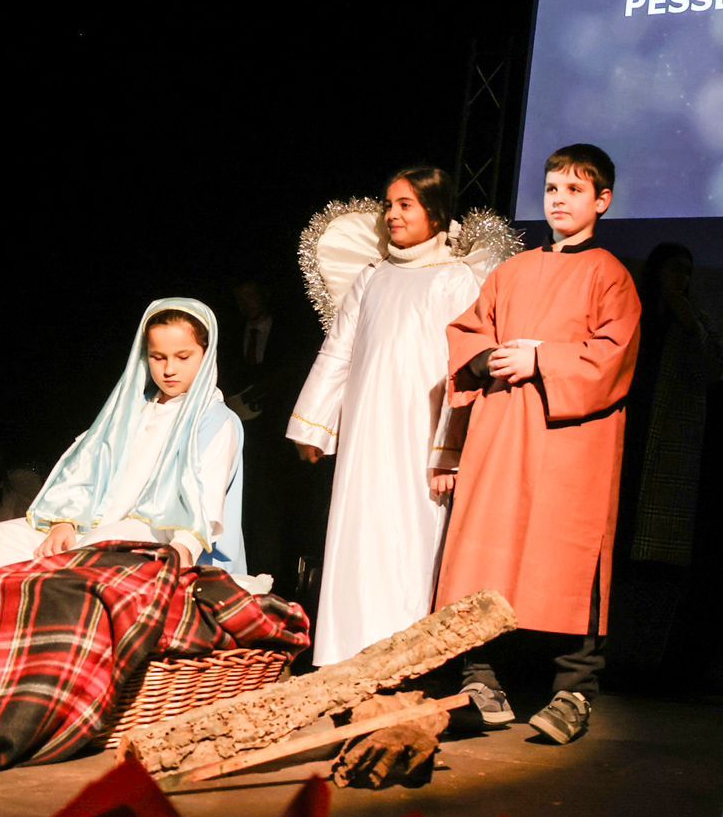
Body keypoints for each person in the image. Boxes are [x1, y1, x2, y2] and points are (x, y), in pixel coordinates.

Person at [435, 143, 640, 746]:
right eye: (553, 189)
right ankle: (481, 679)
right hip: (503, 433)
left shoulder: (609, 274)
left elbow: (614, 354)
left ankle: (574, 689)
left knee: (570, 557)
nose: (560, 201)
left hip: (571, 440)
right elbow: (467, 332)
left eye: (576, 190)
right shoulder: (513, 271)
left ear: (602, 201)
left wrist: (541, 357)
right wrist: (483, 358)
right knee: (487, 549)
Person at [288, 166, 508, 667]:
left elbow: (462, 369)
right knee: (358, 532)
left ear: (435, 212)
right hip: (367, 432)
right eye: (389, 204)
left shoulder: (456, 279)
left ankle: (405, 657)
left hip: (419, 433)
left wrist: (449, 450)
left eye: (406, 204)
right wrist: (313, 426)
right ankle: (346, 653)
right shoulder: (371, 277)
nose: (392, 214)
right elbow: (337, 351)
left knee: (408, 536)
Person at [0, 299, 247, 579]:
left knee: (101, 546)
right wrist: (66, 522)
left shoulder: (215, 421)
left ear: (206, 354)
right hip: (92, 525)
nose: (169, 369)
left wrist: (182, 549)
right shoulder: (127, 412)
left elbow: (205, 504)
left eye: (183, 357)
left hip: (154, 533)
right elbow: (84, 472)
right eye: (158, 357)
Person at [609, 241, 723, 684]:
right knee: (620, 555)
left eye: (688, 271)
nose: (682, 279)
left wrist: (687, 319)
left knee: (657, 563)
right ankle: (613, 656)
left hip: (668, 456)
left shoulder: (694, 324)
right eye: (674, 270)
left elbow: (711, 371)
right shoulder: (634, 318)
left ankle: (648, 662)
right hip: (627, 443)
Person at [219, 277, 319, 598]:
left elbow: (295, 370)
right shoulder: (235, 335)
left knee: (282, 510)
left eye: (251, 297)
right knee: (252, 507)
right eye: (241, 300)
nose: (247, 305)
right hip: (246, 435)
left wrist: (263, 394)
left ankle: (283, 583)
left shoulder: (288, 332)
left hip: (280, 436)